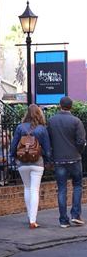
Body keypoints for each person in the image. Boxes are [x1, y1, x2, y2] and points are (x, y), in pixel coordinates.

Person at [9, 104, 52, 229]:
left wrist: (14, 156)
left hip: (22, 162)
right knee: (34, 190)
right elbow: (48, 149)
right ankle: (33, 220)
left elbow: (13, 145)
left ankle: (30, 216)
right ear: (39, 114)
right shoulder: (42, 129)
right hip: (37, 162)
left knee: (27, 188)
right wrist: (48, 160)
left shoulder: (20, 127)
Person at [47, 96, 86, 228]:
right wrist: (78, 152)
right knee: (77, 186)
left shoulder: (51, 121)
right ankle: (76, 215)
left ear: (60, 106)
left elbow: (49, 140)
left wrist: (51, 155)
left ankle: (64, 220)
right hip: (74, 158)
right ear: (72, 107)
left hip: (59, 159)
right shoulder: (76, 121)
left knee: (62, 189)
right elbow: (81, 141)